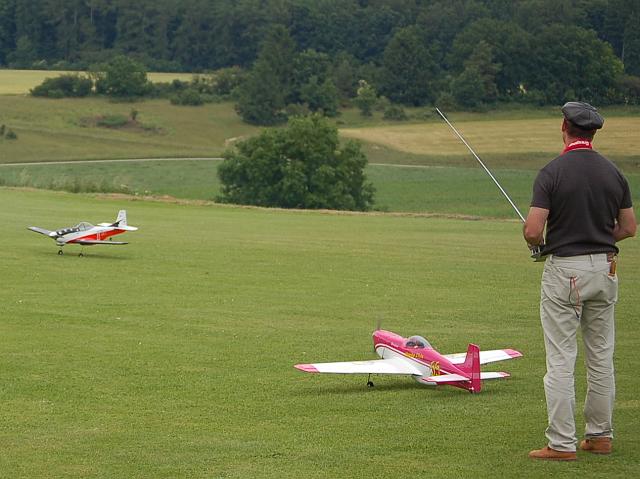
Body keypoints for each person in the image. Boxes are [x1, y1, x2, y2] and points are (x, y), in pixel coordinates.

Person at [523, 101, 636, 461]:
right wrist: (599, 238)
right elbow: (629, 228)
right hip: (605, 268)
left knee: (561, 359)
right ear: (593, 132)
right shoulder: (613, 173)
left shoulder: (551, 172)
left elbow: (532, 229)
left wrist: (542, 246)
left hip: (564, 271)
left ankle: (560, 443)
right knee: (601, 357)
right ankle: (600, 436)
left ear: (564, 127)